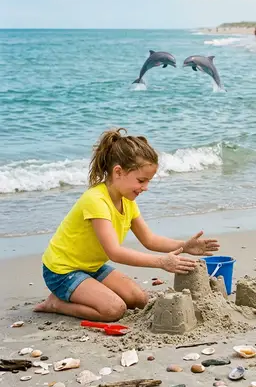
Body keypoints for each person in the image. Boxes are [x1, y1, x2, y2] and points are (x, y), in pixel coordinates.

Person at [34, 128, 220, 322]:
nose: (146, 187)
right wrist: (161, 262)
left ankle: (87, 290)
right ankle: (56, 303)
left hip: (91, 267)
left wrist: (184, 246)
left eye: (148, 181)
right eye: (141, 180)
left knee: (140, 299)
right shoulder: (96, 200)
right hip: (62, 271)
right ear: (118, 172)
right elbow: (114, 252)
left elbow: (149, 239)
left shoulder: (128, 201)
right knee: (114, 310)